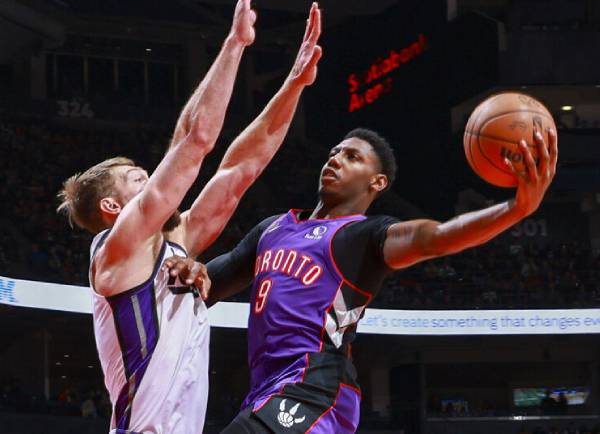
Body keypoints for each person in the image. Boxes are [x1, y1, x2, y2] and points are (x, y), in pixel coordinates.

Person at [170, 122, 557, 432]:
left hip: (315, 388)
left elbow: (436, 237)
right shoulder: (272, 229)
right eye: (334, 152)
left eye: (352, 157)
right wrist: (193, 268)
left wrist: (514, 209)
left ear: (378, 182)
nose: (335, 159)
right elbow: (210, 284)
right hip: (264, 391)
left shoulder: (364, 237)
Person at [56, 0, 323, 431]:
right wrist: (235, 45)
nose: (151, 180)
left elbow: (241, 168)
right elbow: (196, 142)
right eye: (137, 180)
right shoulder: (115, 251)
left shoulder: (173, 244)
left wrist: (293, 86)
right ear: (111, 205)